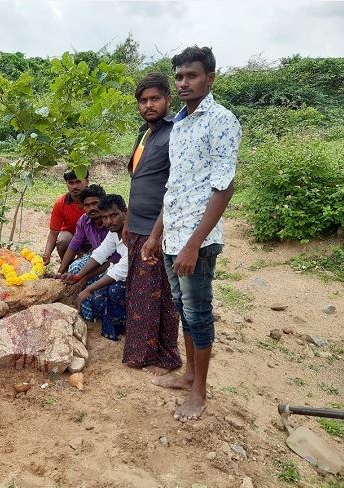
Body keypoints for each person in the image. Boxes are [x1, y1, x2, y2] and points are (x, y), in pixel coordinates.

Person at [141, 46, 242, 421]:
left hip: (197, 241)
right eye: (180, 77)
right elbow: (176, 187)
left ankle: (200, 391)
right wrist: (155, 236)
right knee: (183, 309)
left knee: (198, 314)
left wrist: (193, 245)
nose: (184, 83)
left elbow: (224, 187)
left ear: (209, 79)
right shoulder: (179, 125)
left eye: (192, 76)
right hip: (172, 235)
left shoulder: (222, 120)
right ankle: (187, 375)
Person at [119, 73, 182, 375]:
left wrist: (156, 235)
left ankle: (166, 356)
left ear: (169, 100)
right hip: (138, 225)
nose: (148, 105)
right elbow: (138, 181)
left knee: (161, 296)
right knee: (140, 292)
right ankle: (142, 352)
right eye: (143, 101)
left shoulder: (175, 133)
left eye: (155, 98)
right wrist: (128, 220)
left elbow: (174, 189)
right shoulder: (144, 133)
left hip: (159, 229)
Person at [57, 184, 120, 322]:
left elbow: (113, 261)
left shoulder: (112, 222)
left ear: (103, 202)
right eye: (87, 205)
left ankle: (87, 297)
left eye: (95, 203)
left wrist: (83, 280)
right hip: (99, 258)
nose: (91, 208)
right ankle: (78, 297)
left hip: (116, 264)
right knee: (74, 268)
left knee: (92, 305)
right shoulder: (84, 220)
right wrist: (60, 272)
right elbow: (74, 245)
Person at [73, 195, 128, 341]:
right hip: (121, 275)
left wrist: (88, 289)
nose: (109, 221)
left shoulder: (133, 235)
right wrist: (78, 276)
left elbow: (122, 269)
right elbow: (100, 254)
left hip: (138, 281)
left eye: (114, 215)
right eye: (105, 217)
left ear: (125, 212)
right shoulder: (113, 233)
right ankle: (113, 327)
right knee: (94, 301)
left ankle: (127, 327)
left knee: (113, 290)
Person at [42, 169, 88, 265]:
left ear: (87, 181)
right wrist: (47, 254)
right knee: (63, 239)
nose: (74, 186)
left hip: (92, 239)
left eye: (78, 182)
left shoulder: (95, 201)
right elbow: (54, 233)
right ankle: (66, 266)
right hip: (72, 239)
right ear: (66, 184)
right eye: (71, 183)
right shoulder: (60, 203)